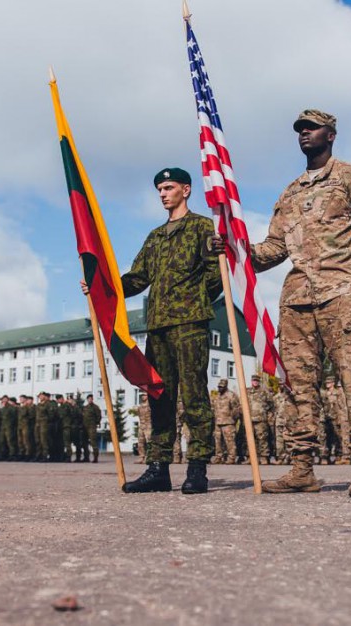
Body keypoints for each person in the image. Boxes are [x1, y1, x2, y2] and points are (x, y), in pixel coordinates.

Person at [242, 110, 351, 497]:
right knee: (298, 388)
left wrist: (346, 264)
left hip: (341, 296)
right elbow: (274, 248)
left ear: (331, 134)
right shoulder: (290, 193)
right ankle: (302, 469)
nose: (304, 134)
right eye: (300, 130)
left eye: (312, 128)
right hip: (296, 300)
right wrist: (239, 251)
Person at [84, 167, 222, 493]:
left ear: (186, 190)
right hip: (157, 327)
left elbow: (216, 275)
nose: (162, 194)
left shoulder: (202, 227)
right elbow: (137, 278)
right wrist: (103, 287)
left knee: (194, 396)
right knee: (159, 396)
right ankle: (158, 469)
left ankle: (197, 468)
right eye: (159, 189)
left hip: (189, 324)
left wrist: (194, 300)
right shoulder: (156, 236)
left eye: (168, 187)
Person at [246, 374, 275, 465]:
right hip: (249, 419)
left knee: (262, 439)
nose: (255, 382)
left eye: (257, 381)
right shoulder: (247, 391)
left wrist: (267, 415)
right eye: (253, 380)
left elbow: (271, 404)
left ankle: (263, 457)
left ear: (259, 382)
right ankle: (251, 457)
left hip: (261, 419)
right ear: (251, 381)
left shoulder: (264, 391)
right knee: (250, 439)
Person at [211, 379, 240, 465]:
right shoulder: (217, 396)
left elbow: (236, 409)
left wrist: (233, 419)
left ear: (226, 386)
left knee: (230, 441)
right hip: (218, 422)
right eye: (219, 387)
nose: (220, 388)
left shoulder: (231, 395)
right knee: (218, 441)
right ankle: (219, 457)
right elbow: (213, 408)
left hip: (228, 422)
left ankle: (231, 457)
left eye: (222, 387)